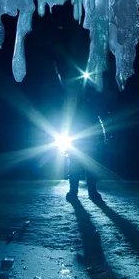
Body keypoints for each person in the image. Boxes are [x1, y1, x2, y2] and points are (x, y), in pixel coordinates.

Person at [61, 66, 106, 199]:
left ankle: (90, 191)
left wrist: (101, 136)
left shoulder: (91, 101)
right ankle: (75, 191)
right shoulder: (75, 100)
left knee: (88, 166)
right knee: (75, 165)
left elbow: (98, 118)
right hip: (78, 136)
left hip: (88, 137)